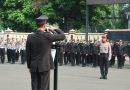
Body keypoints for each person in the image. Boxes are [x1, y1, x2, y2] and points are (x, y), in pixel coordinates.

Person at [26, 15, 65, 90]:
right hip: (44, 66)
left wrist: (29, 66)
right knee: (44, 87)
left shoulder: (30, 37)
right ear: (44, 25)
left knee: (34, 86)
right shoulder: (47, 36)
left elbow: (28, 54)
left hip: (33, 66)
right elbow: (62, 36)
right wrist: (55, 29)